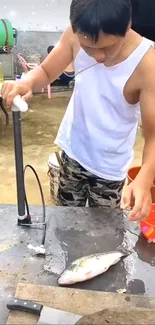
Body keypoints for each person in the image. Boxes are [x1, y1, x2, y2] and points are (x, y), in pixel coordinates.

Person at [2, 0, 155, 222]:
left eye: (108, 47)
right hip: (73, 154)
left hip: (110, 169)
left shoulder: (147, 65)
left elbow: (152, 136)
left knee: (102, 230)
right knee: (66, 221)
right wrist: (26, 82)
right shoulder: (75, 34)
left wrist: (144, 178)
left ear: (128, 23)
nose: (98, 56)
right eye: (89, 48)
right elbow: (45, 71)